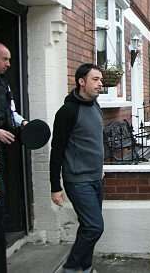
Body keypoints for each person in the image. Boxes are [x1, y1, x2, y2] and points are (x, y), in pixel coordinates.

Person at [49, 63, 104, 273]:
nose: (100, 84)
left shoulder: (96, 105)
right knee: (94, 227)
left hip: (96, 178)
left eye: (101, 79)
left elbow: (93, 141)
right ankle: (70, 268)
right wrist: (55, 186)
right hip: (78, 180)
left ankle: (86, 267)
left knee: (87, 226)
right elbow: (57, 149)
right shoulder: (68, 111)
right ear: (81, 82)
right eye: (95, 79)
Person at [0, 41, 28, 225]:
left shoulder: (4, 84)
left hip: (3, 148)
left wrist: (23, 122)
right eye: (4, 59)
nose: (8, 64)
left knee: (3, 189)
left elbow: (11, 112)